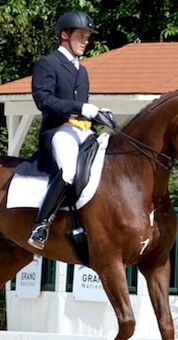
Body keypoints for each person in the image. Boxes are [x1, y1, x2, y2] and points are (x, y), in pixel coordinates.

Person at [16, 11, 108, 250]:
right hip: (59, 130)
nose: (85, 41)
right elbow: (44, 100)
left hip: (83, 131)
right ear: (64, 35)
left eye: (87, 36)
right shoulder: (48, 64)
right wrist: (82, 108)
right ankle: (41, 224)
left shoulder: (82, 70)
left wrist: (100, 115)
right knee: (69, 171)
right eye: (81, 35)